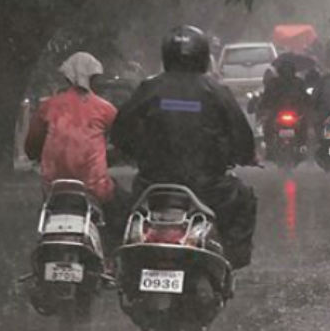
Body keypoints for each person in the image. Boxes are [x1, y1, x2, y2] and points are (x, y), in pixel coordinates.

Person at [111, 25, 259, 269]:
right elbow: (242, 136)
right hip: (208, 188)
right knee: (244, 199)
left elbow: (120, 131)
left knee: (122, 207)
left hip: (152, 185)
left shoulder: (150, 88)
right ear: (203, 55)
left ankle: (122, 263)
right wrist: (244, 155)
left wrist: (132, 151)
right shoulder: (216, 91)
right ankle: (230, 262)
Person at [24, 51, 124, 251]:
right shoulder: (106, 110)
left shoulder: (48, 107)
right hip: (94, 188)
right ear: (95, 78)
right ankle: (113, 256)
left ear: (67, 78)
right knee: (122, 209)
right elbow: (122, 143)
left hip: (54, 188)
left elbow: (32, 147)